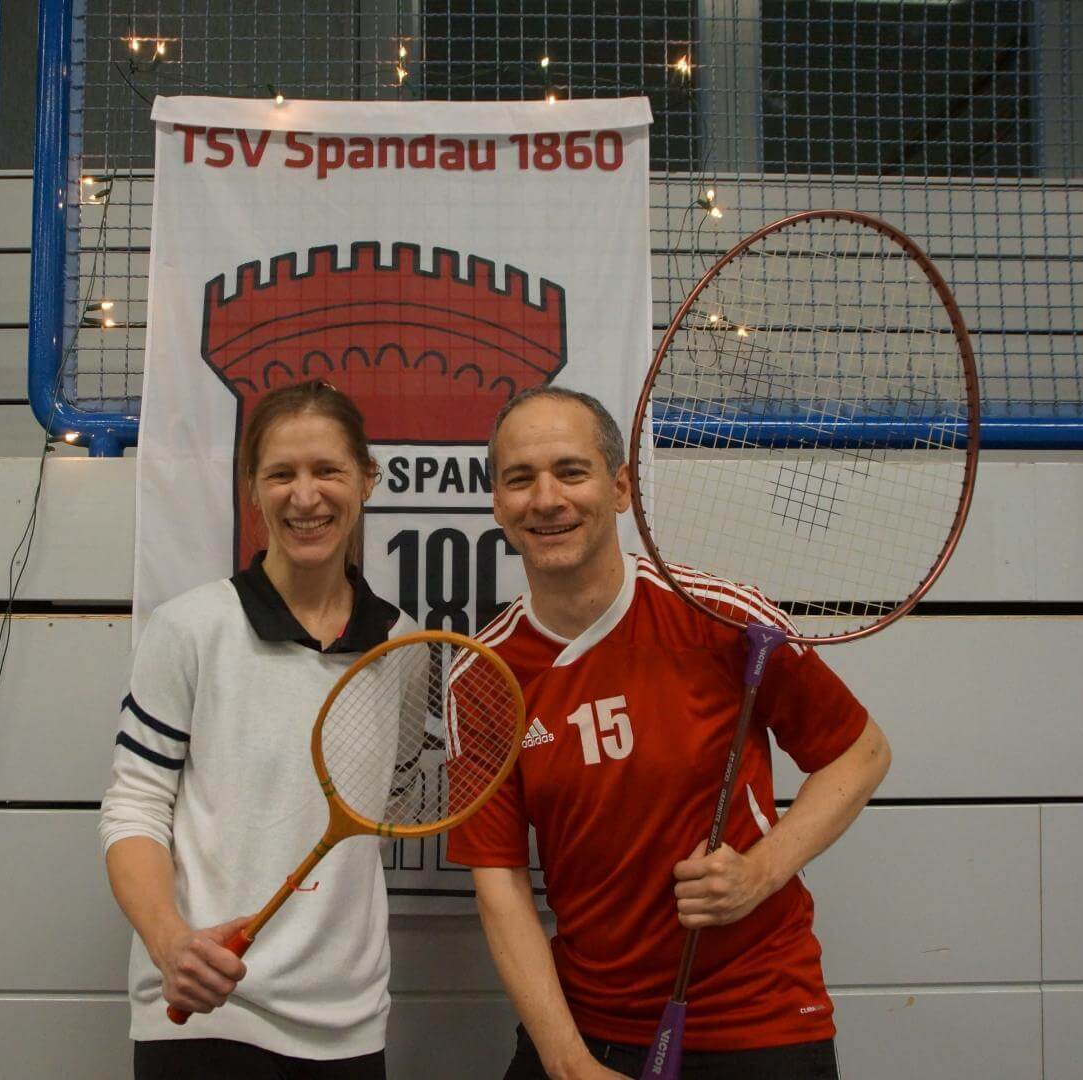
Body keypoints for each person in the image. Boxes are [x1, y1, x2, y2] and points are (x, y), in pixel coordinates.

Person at [447, 387, 891, 1080]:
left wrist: (759, 874)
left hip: (757, 1020)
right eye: (520, 479)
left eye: (571, 472)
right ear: (498, 505)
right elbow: (499, 883)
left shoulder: (720, 616)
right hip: (584, 1028)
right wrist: (567, 1063)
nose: (547, 499)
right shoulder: (483, 676)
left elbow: (860, 754)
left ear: (620, 487)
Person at [100, 380, 411, 1080]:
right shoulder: (189, 628)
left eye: (327, 470)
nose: (305, 496)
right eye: (281, 474)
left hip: (347, 1027)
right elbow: (133, 809)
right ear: (252, 490)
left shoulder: (403, 646)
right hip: (203, 1011)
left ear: (367, 478)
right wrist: (171, 943)